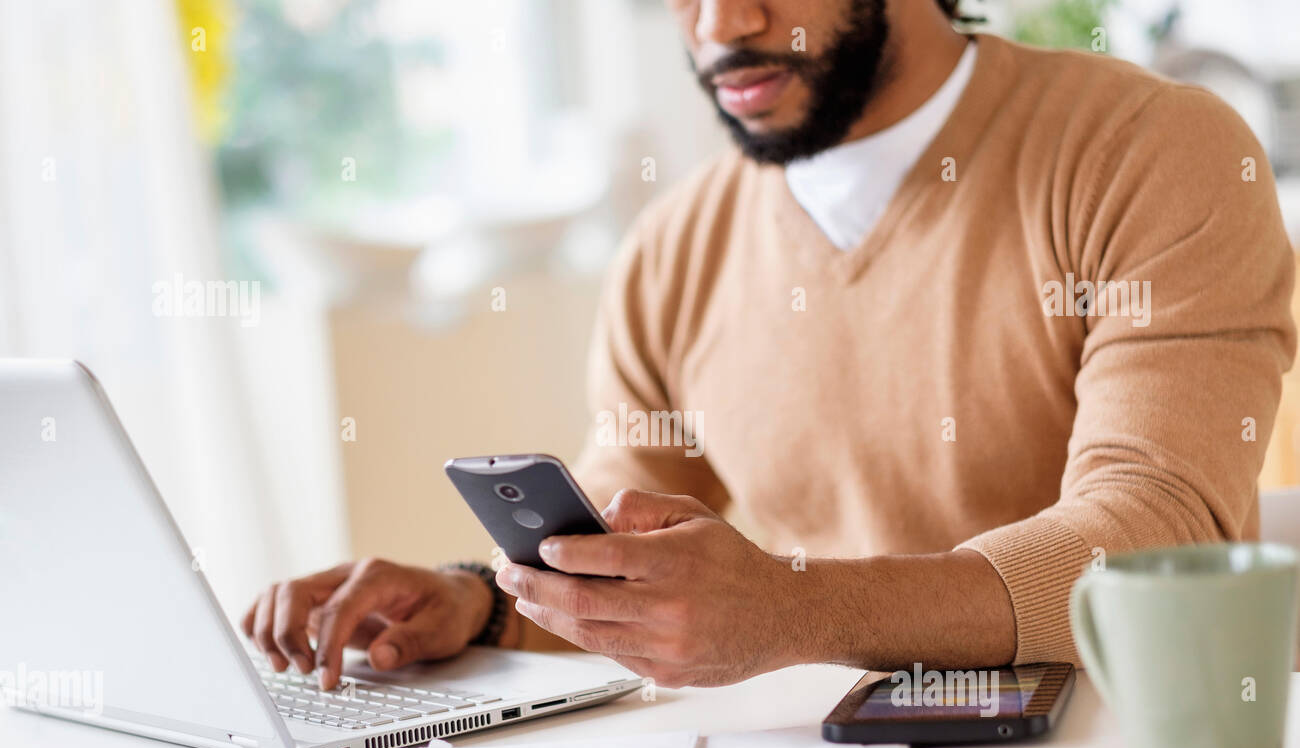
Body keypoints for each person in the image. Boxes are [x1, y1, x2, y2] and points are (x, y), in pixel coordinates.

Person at [243, 0, 1296, 691]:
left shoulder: (1154, 152)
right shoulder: (673, 249)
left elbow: (1153, 544)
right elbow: (619, 545)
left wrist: (794, 608)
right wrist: (476, 599)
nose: (721, 26)